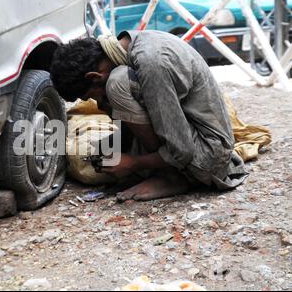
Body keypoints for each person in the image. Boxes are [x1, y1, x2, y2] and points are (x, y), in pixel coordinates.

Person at [50, 30, 248, 202]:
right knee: (96, 155)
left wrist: (133, 163)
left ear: (94, 76)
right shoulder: (127, 45)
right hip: (187, 134)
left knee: (116, 85)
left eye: (91, 96)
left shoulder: (151, 62)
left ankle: (171, 176)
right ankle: (155, 165)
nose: (98, 103)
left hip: (208, 156)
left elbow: (183, 151)